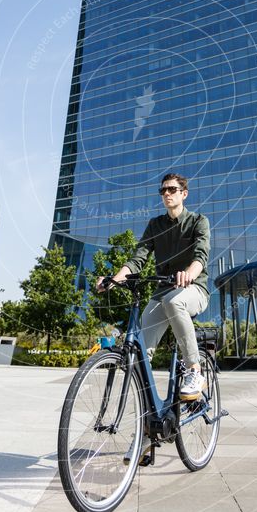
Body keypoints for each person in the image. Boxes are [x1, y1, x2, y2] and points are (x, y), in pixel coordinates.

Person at [97, 172, 211, 405]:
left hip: (194, 289)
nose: (166, 194)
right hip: (163, 292)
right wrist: (114, 279)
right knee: (141, 354)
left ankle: (194, 371)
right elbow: (138, 259)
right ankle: (150, 419)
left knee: (174, 301)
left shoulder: (198, 221)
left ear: (184, 194)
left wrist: (188, 275)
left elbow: (201, 255)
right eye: (163, 191)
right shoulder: (155, 225)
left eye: (172, 190)